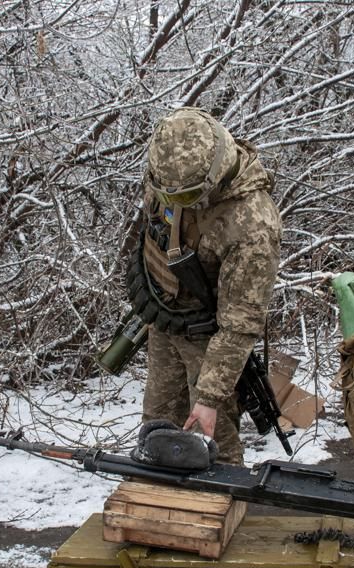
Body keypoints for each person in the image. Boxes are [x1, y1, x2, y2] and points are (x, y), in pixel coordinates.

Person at [125, 107, 281, 465]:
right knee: (157, 427)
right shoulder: (170, 171)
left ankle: (217, 512)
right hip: (166, 320)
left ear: (214, 175)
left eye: (184, 198)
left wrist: (210, 396)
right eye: (165, 194)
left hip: (211, 340)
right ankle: (161, 506)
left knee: (212, 441)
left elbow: (240, 324)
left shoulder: (251, 225)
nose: (172, 203)